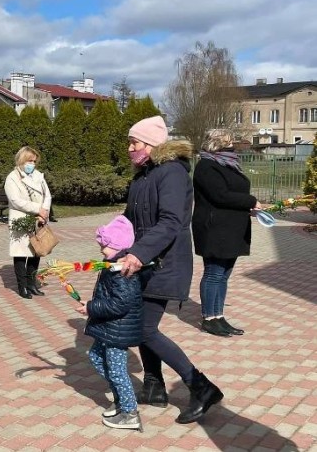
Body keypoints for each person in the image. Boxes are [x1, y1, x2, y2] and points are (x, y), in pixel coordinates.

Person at [117, 115, 223, 425]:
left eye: (133, 142)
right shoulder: (142, 176)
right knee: (140, 325)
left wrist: (138, 253)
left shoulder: (172, 173)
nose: (129, 148)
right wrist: (112, 241)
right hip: (143, 262)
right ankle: (154, 388)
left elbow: (171, 222)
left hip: (164, 264)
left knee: (143, 329)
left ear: (150, 144)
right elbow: (129, 220)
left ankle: (201, 387)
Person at [76, 215, 144, 431]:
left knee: (117, 371)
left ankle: (130, 412)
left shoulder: (122, 272)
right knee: (96, 357)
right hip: (109, 327)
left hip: (118, 329)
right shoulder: (112, 265)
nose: (101, 250)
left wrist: (91, 308)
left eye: (104, 246)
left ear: (117, 247)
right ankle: (121, 401)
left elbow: (119, 305)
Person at [192, 130, 259, 337]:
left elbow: (234, 193)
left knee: (224, 274)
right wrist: (250, 201)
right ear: (216, 144)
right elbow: (220, 195)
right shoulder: (206, 165)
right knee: (214, 273)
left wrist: (248, 208)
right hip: (214, 229)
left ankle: (219, 316)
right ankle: (208, 318)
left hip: (232, 227)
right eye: (228, 142)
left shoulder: (227, 163)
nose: (232, 145)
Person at [4, 146, 51, 299]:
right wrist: (38, 208)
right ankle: (22, 286)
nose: (33, 164)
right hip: (21, 219)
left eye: (34, 161)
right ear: (22, 160)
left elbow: (47, 195)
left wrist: (44, 211)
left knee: (35, 252)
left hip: (38, 219)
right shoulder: (12, 177)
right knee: (20, 254)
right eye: (30, 161)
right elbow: (15, 200)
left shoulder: (38, 175)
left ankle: (32, 284)